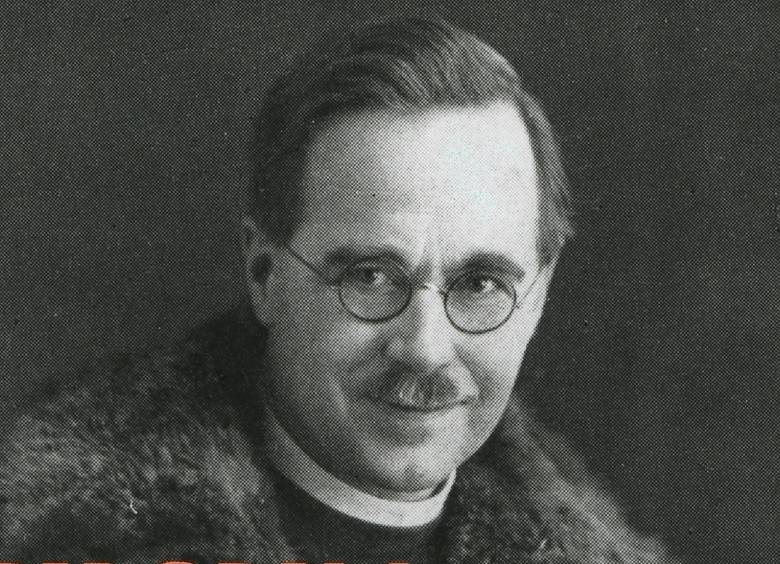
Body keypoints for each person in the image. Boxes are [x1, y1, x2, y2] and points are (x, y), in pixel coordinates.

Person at [0, 17, 676, 564]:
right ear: (264, 275)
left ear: (539, 298)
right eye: (371, 277)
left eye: (480, 285)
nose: (425, 349)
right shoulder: (68, 541)